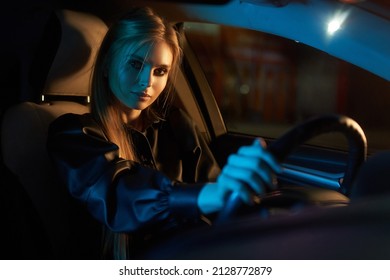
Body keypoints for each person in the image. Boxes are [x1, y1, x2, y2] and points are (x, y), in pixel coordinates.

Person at [47, 6, 282, 259]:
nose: (147, 82)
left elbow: (214, 189)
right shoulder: (73, 134)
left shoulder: (177, 125)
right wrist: (204, 196)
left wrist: (247, 194)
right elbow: (118, 192)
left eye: (160, 71)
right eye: (136, 64)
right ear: (106, 64)